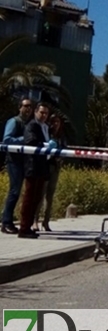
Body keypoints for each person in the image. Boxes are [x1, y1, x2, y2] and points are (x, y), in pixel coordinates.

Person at [18, 102, 53, 238]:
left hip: (42, 167)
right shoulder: (32, 125)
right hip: (33, 166)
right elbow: (30, 141)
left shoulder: (45, 127)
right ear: (36, 112)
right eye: (41, 112)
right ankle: (24, 227)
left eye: (46, 113)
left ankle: (29, 227)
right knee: (29, 197)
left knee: (36, 198)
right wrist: (45, 145)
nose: (44, 115)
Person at [1, 98, 34, 234]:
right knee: (14, 191)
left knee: (20, 192)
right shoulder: (14, 121)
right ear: (20, 107)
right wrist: (23, 139)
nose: (28, 109)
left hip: (24, 161)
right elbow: (7, 139)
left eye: (30, 106)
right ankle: (6, 222)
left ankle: (12, 220)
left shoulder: (29, 123)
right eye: (26, 106)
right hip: (14, 161)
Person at [34, 113, 66, 232]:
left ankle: (46, 222)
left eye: (57, 122)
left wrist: (60, 156)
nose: (55, 124)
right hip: (45, 166)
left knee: (50, 196)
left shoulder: (61, 136)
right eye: (53, 122)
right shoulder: (46, 133)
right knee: (40, 195)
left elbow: (64, 149)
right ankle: (35, 220)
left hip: (55, 167)